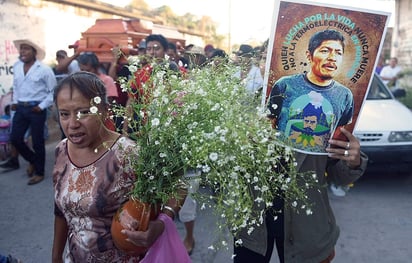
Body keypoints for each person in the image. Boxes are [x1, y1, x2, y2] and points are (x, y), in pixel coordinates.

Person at [233, 29, 368, 263]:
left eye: (336, 52)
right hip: (254, 216)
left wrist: (352, 161)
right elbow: (223, 166)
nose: (331, 57)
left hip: (307, 222)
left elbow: (339, 178)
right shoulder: (247, 100)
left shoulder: (344, 97)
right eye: (266, 57)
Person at [51, 71, 190, 262]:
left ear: (105, 110)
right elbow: (60, 211)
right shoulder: (61, 150)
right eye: (64, 114)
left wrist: (162, 222)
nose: (73, 123)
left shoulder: (128, 153)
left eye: (83, 112)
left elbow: (179, 187)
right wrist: (56, 256)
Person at [1, 39, 57, 185]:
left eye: (26, 49)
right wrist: (14, 102)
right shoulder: (17, 66)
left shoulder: (44, 69)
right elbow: (16, 85)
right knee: (15, 138)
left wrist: (42, 106)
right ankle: (33, 160)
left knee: (38, 142)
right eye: (21, 49)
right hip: (20, 107)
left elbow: (53, 91)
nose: (22, 52)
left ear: (34, 52)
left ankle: (39, 172)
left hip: (36, 109)